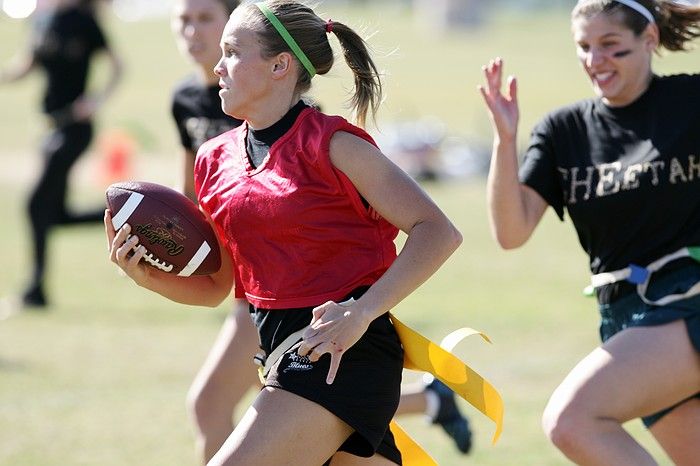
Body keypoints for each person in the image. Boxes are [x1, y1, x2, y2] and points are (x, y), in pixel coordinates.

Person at [106, 1, 463, 464]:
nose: (218, 65)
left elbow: (437, 230)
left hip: (342, 352)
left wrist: (361, 312)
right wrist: (147, 277)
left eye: (233, 51)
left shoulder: (334, 144)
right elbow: (218, 288)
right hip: (273, 349)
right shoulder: (213, 160)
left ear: (281, 65)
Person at [479, 0, 700, 464]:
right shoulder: (564, 130)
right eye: (584, 47)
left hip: (686, 298)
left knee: (572, 421)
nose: (595, 61)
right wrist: (505, 139)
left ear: (650, 39)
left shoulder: (690, 101)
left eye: (611, 46)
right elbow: (511, 231)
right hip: (623, 318)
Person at [0, 0, 123, 309]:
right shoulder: (40, 20)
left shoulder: (84, 20)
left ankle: (35, 290)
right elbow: (27, 65)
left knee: (35, 204)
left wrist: (95, 101)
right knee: (54, 213)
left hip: (74, 129)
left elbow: (118, 67)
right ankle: (123, 215)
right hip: (49, 127)